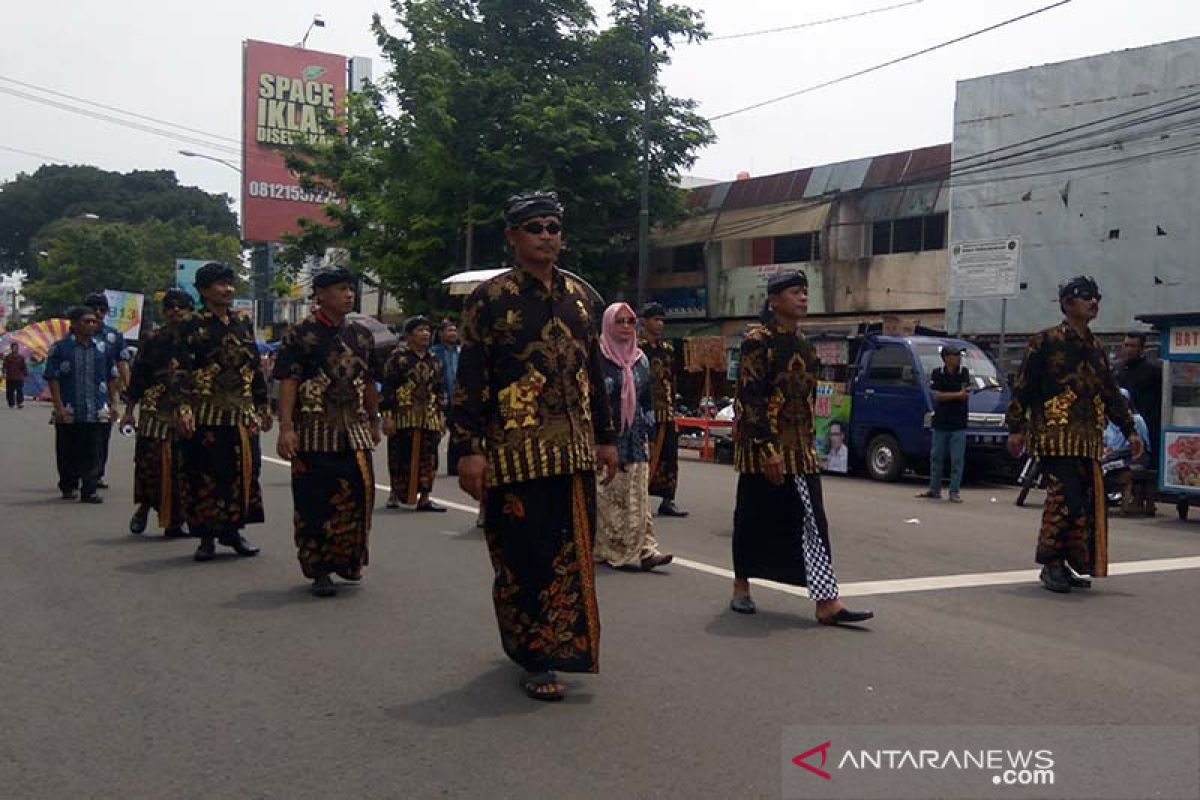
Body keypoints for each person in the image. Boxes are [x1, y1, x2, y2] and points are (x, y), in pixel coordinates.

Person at [451, 191, 618, 702]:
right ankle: (531, 652)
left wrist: (607, 438)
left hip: (572, 453)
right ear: (513, 237)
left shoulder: (583, 297)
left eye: (553, 226)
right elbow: (472, 376)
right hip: (512, 452)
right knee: (523, 556)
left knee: (572, 555)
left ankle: (558, 648)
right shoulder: (491, 299)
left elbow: (593, 374)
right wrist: (468, 448)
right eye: (535, 227)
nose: (547, 235)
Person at [729, 269, 873, 626]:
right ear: (775, 300)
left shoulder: (806, 346)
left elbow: (807, 398)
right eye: (795, 292)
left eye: (805, 292)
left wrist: (812, 442)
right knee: (752, 516)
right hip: (763, 448)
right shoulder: (756, 341)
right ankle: (740, 586)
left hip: (800, 448)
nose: (803, 298)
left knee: (813, 521)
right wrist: (767, 448)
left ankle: (827, 602)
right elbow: (750, 398)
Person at [1006, 275, 1142, 593]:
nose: (1093, 302)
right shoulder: (1045, 341)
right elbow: (1023, 386)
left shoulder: (1095, 347)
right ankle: (1051, 564)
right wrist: (1016, 428)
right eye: (1085, 297)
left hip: (1089, 438)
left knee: (1083, 502)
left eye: (1096, 297)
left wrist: (1129, 429)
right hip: (1054, 435)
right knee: (1063, 499)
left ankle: (1067, 563)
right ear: (1067, 304)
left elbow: (1110, 392)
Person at [274, 268, 381, 597]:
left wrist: (375, 420)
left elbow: (369, 381)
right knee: (314, 502)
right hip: (314, 431)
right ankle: (319, 568)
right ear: (319, 294)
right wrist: (287, 427)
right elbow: (288, 381)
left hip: (355, 430)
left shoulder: (361, 335)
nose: (348, 294)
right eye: (340, 289)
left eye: (351, 288)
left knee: (359, 496)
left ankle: (348, 560)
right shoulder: (300, 333)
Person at [173, 262, 272, 562]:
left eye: (229, 283)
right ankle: (205, 536)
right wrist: (183, 408)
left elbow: (254, 366)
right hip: (205, 414)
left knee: (245, 471)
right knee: (204, 474)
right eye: (220, 284)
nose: (228, 289)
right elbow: (178, 369)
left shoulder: (241, 323)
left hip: (240, 413)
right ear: (204, 290)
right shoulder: (191, 325)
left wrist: (262, 405)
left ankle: (233, 529)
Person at [594, 302, 673, 571]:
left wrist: (650, 434)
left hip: (635, 434)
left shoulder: (641, 360)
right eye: (620, 321)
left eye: (630, 321)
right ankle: (611, 549)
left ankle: (646, 549)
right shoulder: (596, 358)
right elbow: (590, 400)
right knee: (610, 496)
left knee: (638, 494)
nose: (626, 327)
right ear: (607, 324)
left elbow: (647, 400)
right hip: (606, 437)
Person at [121, 289, 192, 537]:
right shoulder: (153, 340)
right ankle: (144, 508)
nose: (175, 311)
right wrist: (129, 411)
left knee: (184, 466)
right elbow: (138, 377)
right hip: (155, 409)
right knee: (151, 464)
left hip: (188, 409)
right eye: (171, 307)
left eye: (181, 307)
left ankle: (175, 521)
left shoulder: (197, 340)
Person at [44, 305, 119, 503]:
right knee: (67, 450)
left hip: (96, 409)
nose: (91, 325)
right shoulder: (60, 348)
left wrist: (114, 403)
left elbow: (112, 377)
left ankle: (90, 488)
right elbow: (53, 378)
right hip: (70, 408)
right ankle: (68, 485)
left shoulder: (102, 348)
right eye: (86, 321)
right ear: (74, 324)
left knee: (94, 450)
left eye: (93, 321)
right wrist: (58, 406)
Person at [381, 315, 447, 512]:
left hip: (429, 414)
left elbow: (440, 388)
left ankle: (425, 497)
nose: (425, 334)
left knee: (430, 458)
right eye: (420, 330)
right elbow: (388, 388)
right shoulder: (397, 358)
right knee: (400, 455)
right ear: (408, 335)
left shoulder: (434, 359)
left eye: (427, 330)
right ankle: (396, 492)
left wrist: (442, 415)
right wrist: (387, 416)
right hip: (403, 415)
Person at [640, 301, 688, 517]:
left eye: (662, 320)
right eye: (655, 319)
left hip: (666, 410)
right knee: (645, 457)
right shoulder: (637, 349)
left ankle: (668, 499)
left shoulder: (667, 350)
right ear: (644, 321)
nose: (659, 324)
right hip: (644, 412)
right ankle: (640, 499)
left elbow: (672, 379)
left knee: (669, 456)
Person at [83, 292, 131, 490]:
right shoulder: (75, 333)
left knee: (101, 436)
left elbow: (122, 362)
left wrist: (130, 388)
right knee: (80, 437)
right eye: (94, 309)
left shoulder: (113, 336)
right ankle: (79, 473)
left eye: (102, 309)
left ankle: (96, 475)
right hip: (78, 392)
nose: (98, 313)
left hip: (105, 393)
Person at [916, 345, 971, 503]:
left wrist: (951, 396)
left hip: (959, 423)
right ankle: (934, 489)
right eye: (955, 355)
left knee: (957, 460)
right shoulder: (937, 373)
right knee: (936, 457)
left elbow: (965, 395)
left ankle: (954, 491)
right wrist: (955, 395)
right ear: (946, 358)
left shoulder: (964, 373)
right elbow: (937, 396)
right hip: (941, 422)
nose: (958, 358)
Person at [1117, 331, 1163, 451]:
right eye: (1126, 345)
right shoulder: (1119, 370)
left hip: (1148, 426)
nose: (1128, 349)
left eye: (1132, 346)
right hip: (1122, 427)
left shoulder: (1153, 372)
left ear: (1141, 348)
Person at [430, 319, 463, 477]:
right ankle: (430, 466)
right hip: (440, 398)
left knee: (457, 433)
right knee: (435, 434)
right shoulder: (434, 352)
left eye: (454, 330)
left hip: (457, 398)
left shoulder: (460, 351)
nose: (453, 333)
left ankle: (454, 466)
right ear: (441, 334)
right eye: (449, 330)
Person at [3, 342, 28, 409]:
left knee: (19, 390)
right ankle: (11, 403)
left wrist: (25, 375)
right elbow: (4, 366)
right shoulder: (7, 357)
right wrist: (4, 373)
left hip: (19, 377)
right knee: (10, 391)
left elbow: (24, 367)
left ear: (17, 349)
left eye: (16, 348)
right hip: (10, 377)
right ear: (11, 348)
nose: (14, 349)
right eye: (13, 347)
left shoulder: (21, 357)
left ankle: (19, 403)